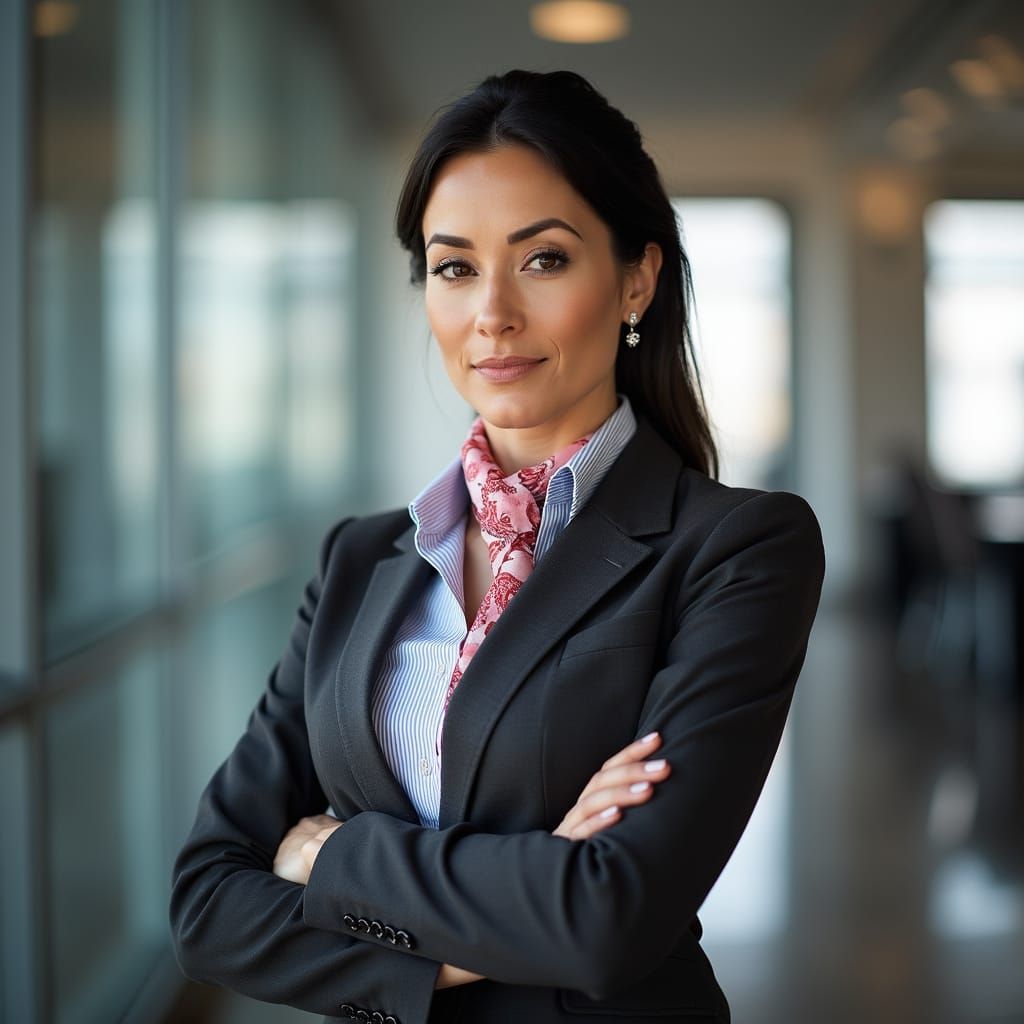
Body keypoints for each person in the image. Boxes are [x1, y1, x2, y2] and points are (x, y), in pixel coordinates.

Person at [169, 69, 825, 1024]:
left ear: (636, 279)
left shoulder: (736, 549)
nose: (493, 313)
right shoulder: (357, 560)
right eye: (454, 267)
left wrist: (329, 854)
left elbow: (606, 921)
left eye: (544, 259)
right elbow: (207, 907)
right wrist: (492, 924)